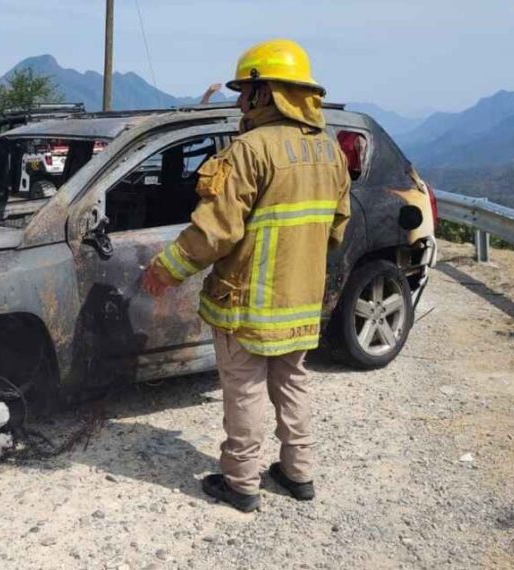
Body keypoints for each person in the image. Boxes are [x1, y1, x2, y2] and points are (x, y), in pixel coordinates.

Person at [140, 39, 351, 513]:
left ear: (265, 93)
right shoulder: (330, 152)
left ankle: (241, 482)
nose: (239, 101)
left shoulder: (249, 151)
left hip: (247, 304)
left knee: (246, 391)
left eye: (244, 91)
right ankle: (299, 474)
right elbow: (337, 227)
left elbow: (214, 232)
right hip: (300, 303)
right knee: (292, 382)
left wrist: (165, 270)